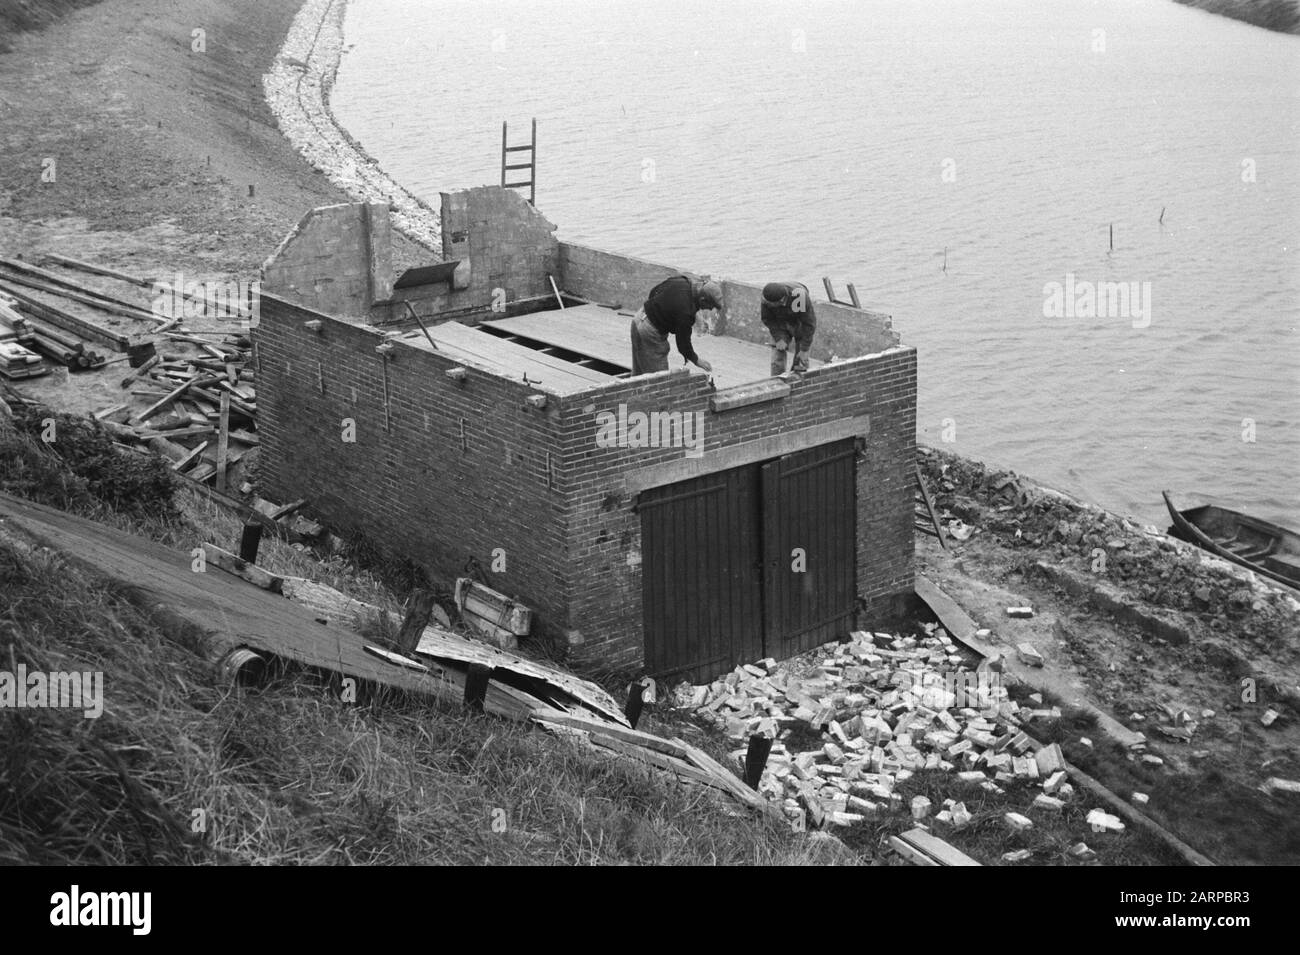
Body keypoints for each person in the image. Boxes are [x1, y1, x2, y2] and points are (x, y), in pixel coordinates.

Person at [630, 275, 722, 375]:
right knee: (659, 381)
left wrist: (657, 312)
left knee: (638, 376)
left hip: (639, 318)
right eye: (710, 306)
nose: (709, 309)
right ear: (702, 300)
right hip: (650, 333)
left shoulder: (681, 281)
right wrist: (697, 360)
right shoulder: (686, 313)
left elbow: (654, 291)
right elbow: (683, 344)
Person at [760, 281, 816, 376]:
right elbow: (768, 319)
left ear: (782, 300)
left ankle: (798, 382)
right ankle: (777, 381)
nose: (769, 306)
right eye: (769, 304)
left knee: (801, 360)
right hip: (780, 323)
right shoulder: (766, 298)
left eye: (772, 305)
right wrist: (779, 338)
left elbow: (808, 324)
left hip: (799, 321)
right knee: (777, 356)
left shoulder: (799, 296)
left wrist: (804, 349)